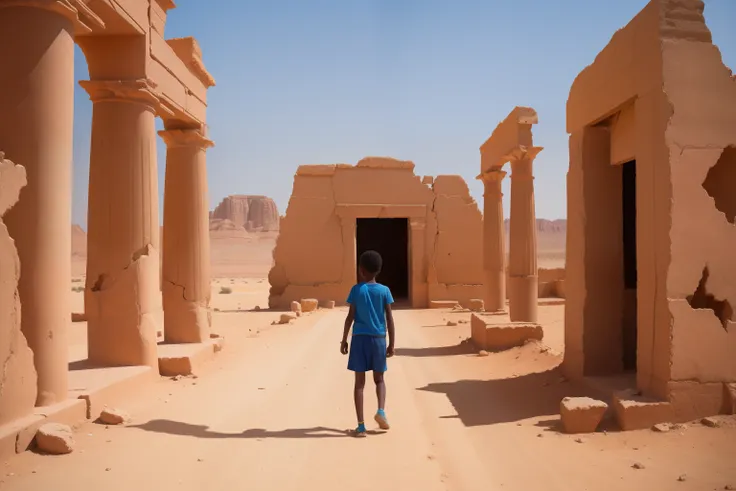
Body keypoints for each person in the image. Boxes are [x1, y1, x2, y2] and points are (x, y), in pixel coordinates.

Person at [340, 250, 395, 437]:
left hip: (359, 340)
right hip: (379, 339)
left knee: (359, 384)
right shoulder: (384, 291)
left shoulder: (356, 290)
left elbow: (350, 317)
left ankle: (361, 426)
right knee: (379, 379)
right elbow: (389, 318)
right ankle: (381, 411)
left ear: (361, 270)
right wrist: (392, 344)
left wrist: (344, 340)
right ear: (378, 270)